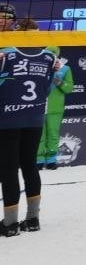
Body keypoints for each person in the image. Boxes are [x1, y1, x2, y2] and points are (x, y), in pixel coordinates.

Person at [0, 17, 55, 235]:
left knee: (9, 169)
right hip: (34, 119)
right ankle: (33, 220)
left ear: (17, 33)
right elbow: (48, 90)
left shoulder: (7, 54)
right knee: (30, 166)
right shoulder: (49, 58)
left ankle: (10, 224)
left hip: (8, 119)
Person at [36, 50, 73, 170]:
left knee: (53, 134)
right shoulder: (38, 67)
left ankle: (51, 160)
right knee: (39, 135)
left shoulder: (65, 69)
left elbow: (69, 88)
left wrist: (58, 81)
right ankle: (39, 160)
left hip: (55, 109)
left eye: (54, 54)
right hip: (38, 107)